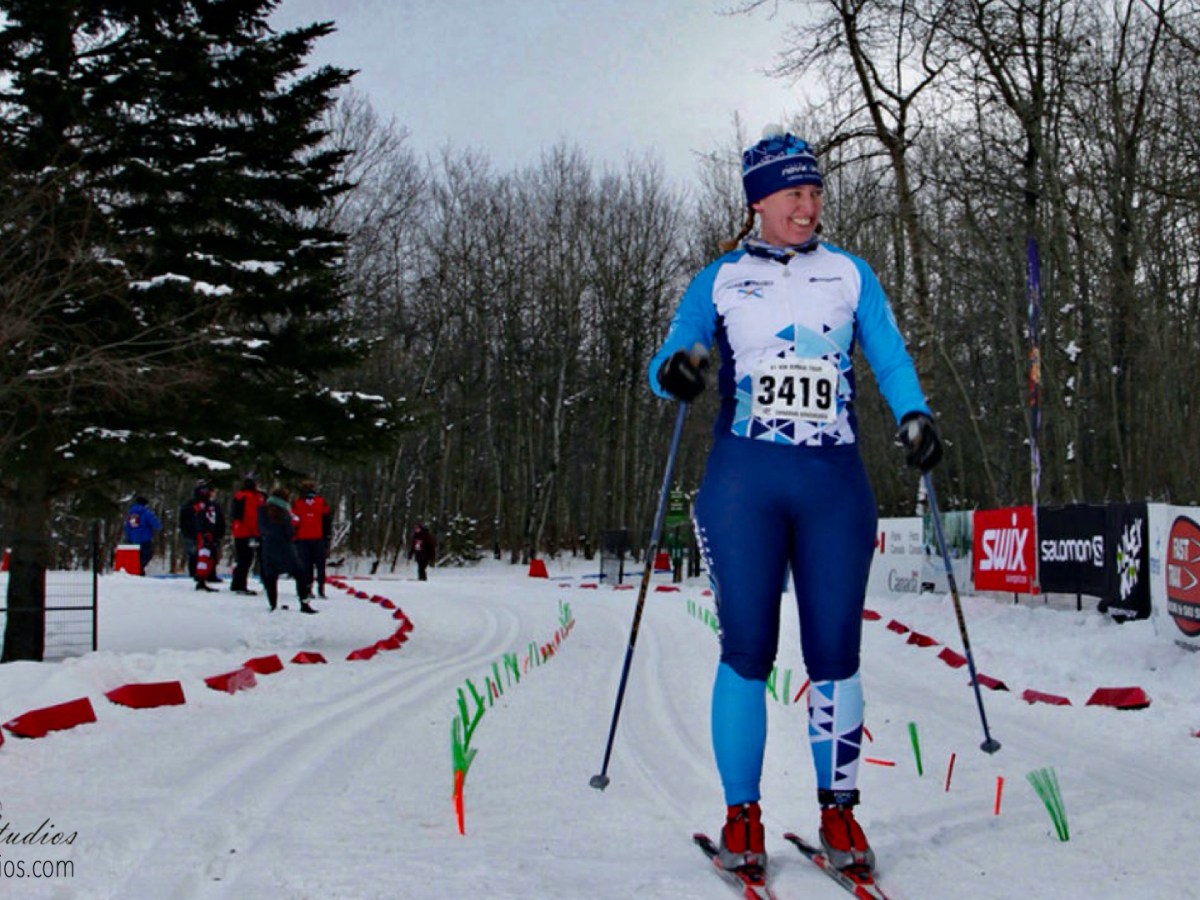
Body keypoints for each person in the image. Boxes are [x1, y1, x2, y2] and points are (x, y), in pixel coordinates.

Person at [647, 126, 943, 877]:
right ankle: (741, 817)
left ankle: (838, 813)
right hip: (744, 484)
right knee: (747, 647)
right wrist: (676, 371)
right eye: (794, 194)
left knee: (836, 655)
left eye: (814, 193)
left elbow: (888, 353)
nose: (808, 207)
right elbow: (683, 348)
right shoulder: (720, 279)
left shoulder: (849, 274)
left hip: (832, 485)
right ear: (759, 202)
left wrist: (915, 417)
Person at [258, 486, 316, 613]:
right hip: (286, 548)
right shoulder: (284, 514)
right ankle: (304, 603)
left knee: (271, 577)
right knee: (299, 574)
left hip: (268, 547)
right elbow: (289, 533)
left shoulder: (262, 511)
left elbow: (261, 529)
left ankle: (273, 604)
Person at [179, 482, 226, 592]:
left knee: (211, 556)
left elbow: (219, 520)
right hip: (196, 534)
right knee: (197, 555)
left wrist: (219, 532)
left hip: (210, 533)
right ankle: (198, 576)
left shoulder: (213, 505)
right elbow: (186, 518)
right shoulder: (192, 505)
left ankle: (209, 575)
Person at [291, 479, 332, 598]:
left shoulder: (297, 503)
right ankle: (321, 587)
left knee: (306, 565)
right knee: (320, 564)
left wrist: (294, 536)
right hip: (318, 538)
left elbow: (294, 521)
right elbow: (327, 520)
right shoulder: (321, 502)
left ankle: (308, 587)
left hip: (303, 538)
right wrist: (327, 537)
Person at [229, 474, 266, 595]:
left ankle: (237, 583)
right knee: (246, 559)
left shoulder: (240, 495)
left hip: (239, 530)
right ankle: (240, 585)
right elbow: (251, 516)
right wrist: (256, 532)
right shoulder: (250, 497)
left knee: (242, 558)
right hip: (247, 531)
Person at [123, 495, 162, 575]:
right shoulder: (146, 513)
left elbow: (129, 526)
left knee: (137, 557)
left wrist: (129, 536)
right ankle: (139, 569)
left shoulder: (132, 514)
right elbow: (156, 525)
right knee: (147, 555)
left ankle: (138, 570)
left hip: (133, 539)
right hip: (145, 538)